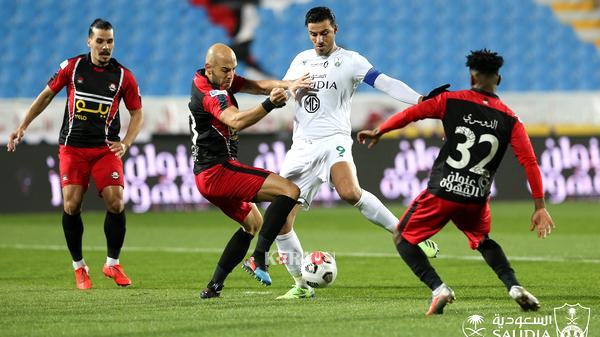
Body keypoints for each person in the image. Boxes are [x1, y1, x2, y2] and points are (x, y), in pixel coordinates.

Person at [357, 49, 556, 315]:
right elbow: (529, 162)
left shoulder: (450, 100)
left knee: (402, 238)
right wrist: (539, 206)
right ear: (499, 78)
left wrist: (380, 130)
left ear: (471, 75)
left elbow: (413, 113)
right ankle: (513, 286)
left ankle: (439, 289)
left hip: (443, 191)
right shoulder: (511, 119)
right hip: (476, 197)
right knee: (483, 240)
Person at [274, 6, 446, 299]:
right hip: (301, 147)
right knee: (280, 221)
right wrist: (283, 92)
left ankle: (407, 233)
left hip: (334, 140)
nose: (319, 39)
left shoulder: (350, 61)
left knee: (350, 192)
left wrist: (419, 100)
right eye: (313, 34)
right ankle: (301, 287)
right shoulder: (300, 61)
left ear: (335, 30)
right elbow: (281, 90)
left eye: (324, 33)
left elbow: (384, 82)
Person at [6, 19, 144, 290]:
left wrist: (126, 142)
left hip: (106, 148)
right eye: (100, 41)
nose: (106, 47)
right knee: (71, 205)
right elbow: (46, 95)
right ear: (89, 41)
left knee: (116, 202)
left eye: (110, 41)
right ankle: (79, 268)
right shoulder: (72, 67)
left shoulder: (123, 76)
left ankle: (112, 263)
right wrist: (22, 126)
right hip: (73, 147)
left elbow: (137, 112)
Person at [190, 43, 311, 299]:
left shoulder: (216, 78)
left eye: (233, 69)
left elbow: (255, 86)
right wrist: (269, 105)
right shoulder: (211, 93)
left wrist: (289, 84)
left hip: (206, 176)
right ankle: (259, 257)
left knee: (253, 224)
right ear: (209, 68)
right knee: (289, 191)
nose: (231, 75)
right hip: (218, 171)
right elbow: (235, 120)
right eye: (226, 70)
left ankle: (214, 286)